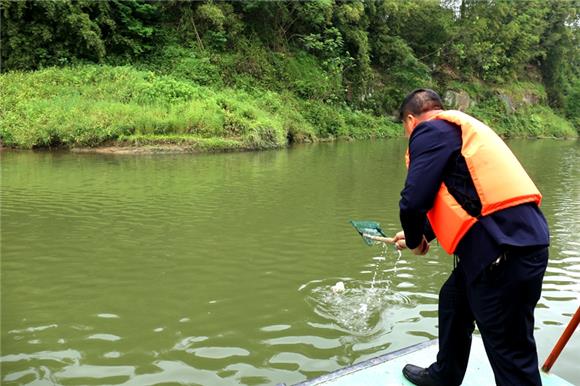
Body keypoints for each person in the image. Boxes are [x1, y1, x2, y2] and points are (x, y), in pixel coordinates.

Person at [393, 89, 550, 386]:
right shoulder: (456, 131)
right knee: (453, 299)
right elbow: (464, 197)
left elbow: (413, 201)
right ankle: (444, 376)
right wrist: (421, 233)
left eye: (405, 127)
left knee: (511, 356)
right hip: (511, 245)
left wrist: (415, 243)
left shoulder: (429, 130)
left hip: (504, 256)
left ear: (411, 120)